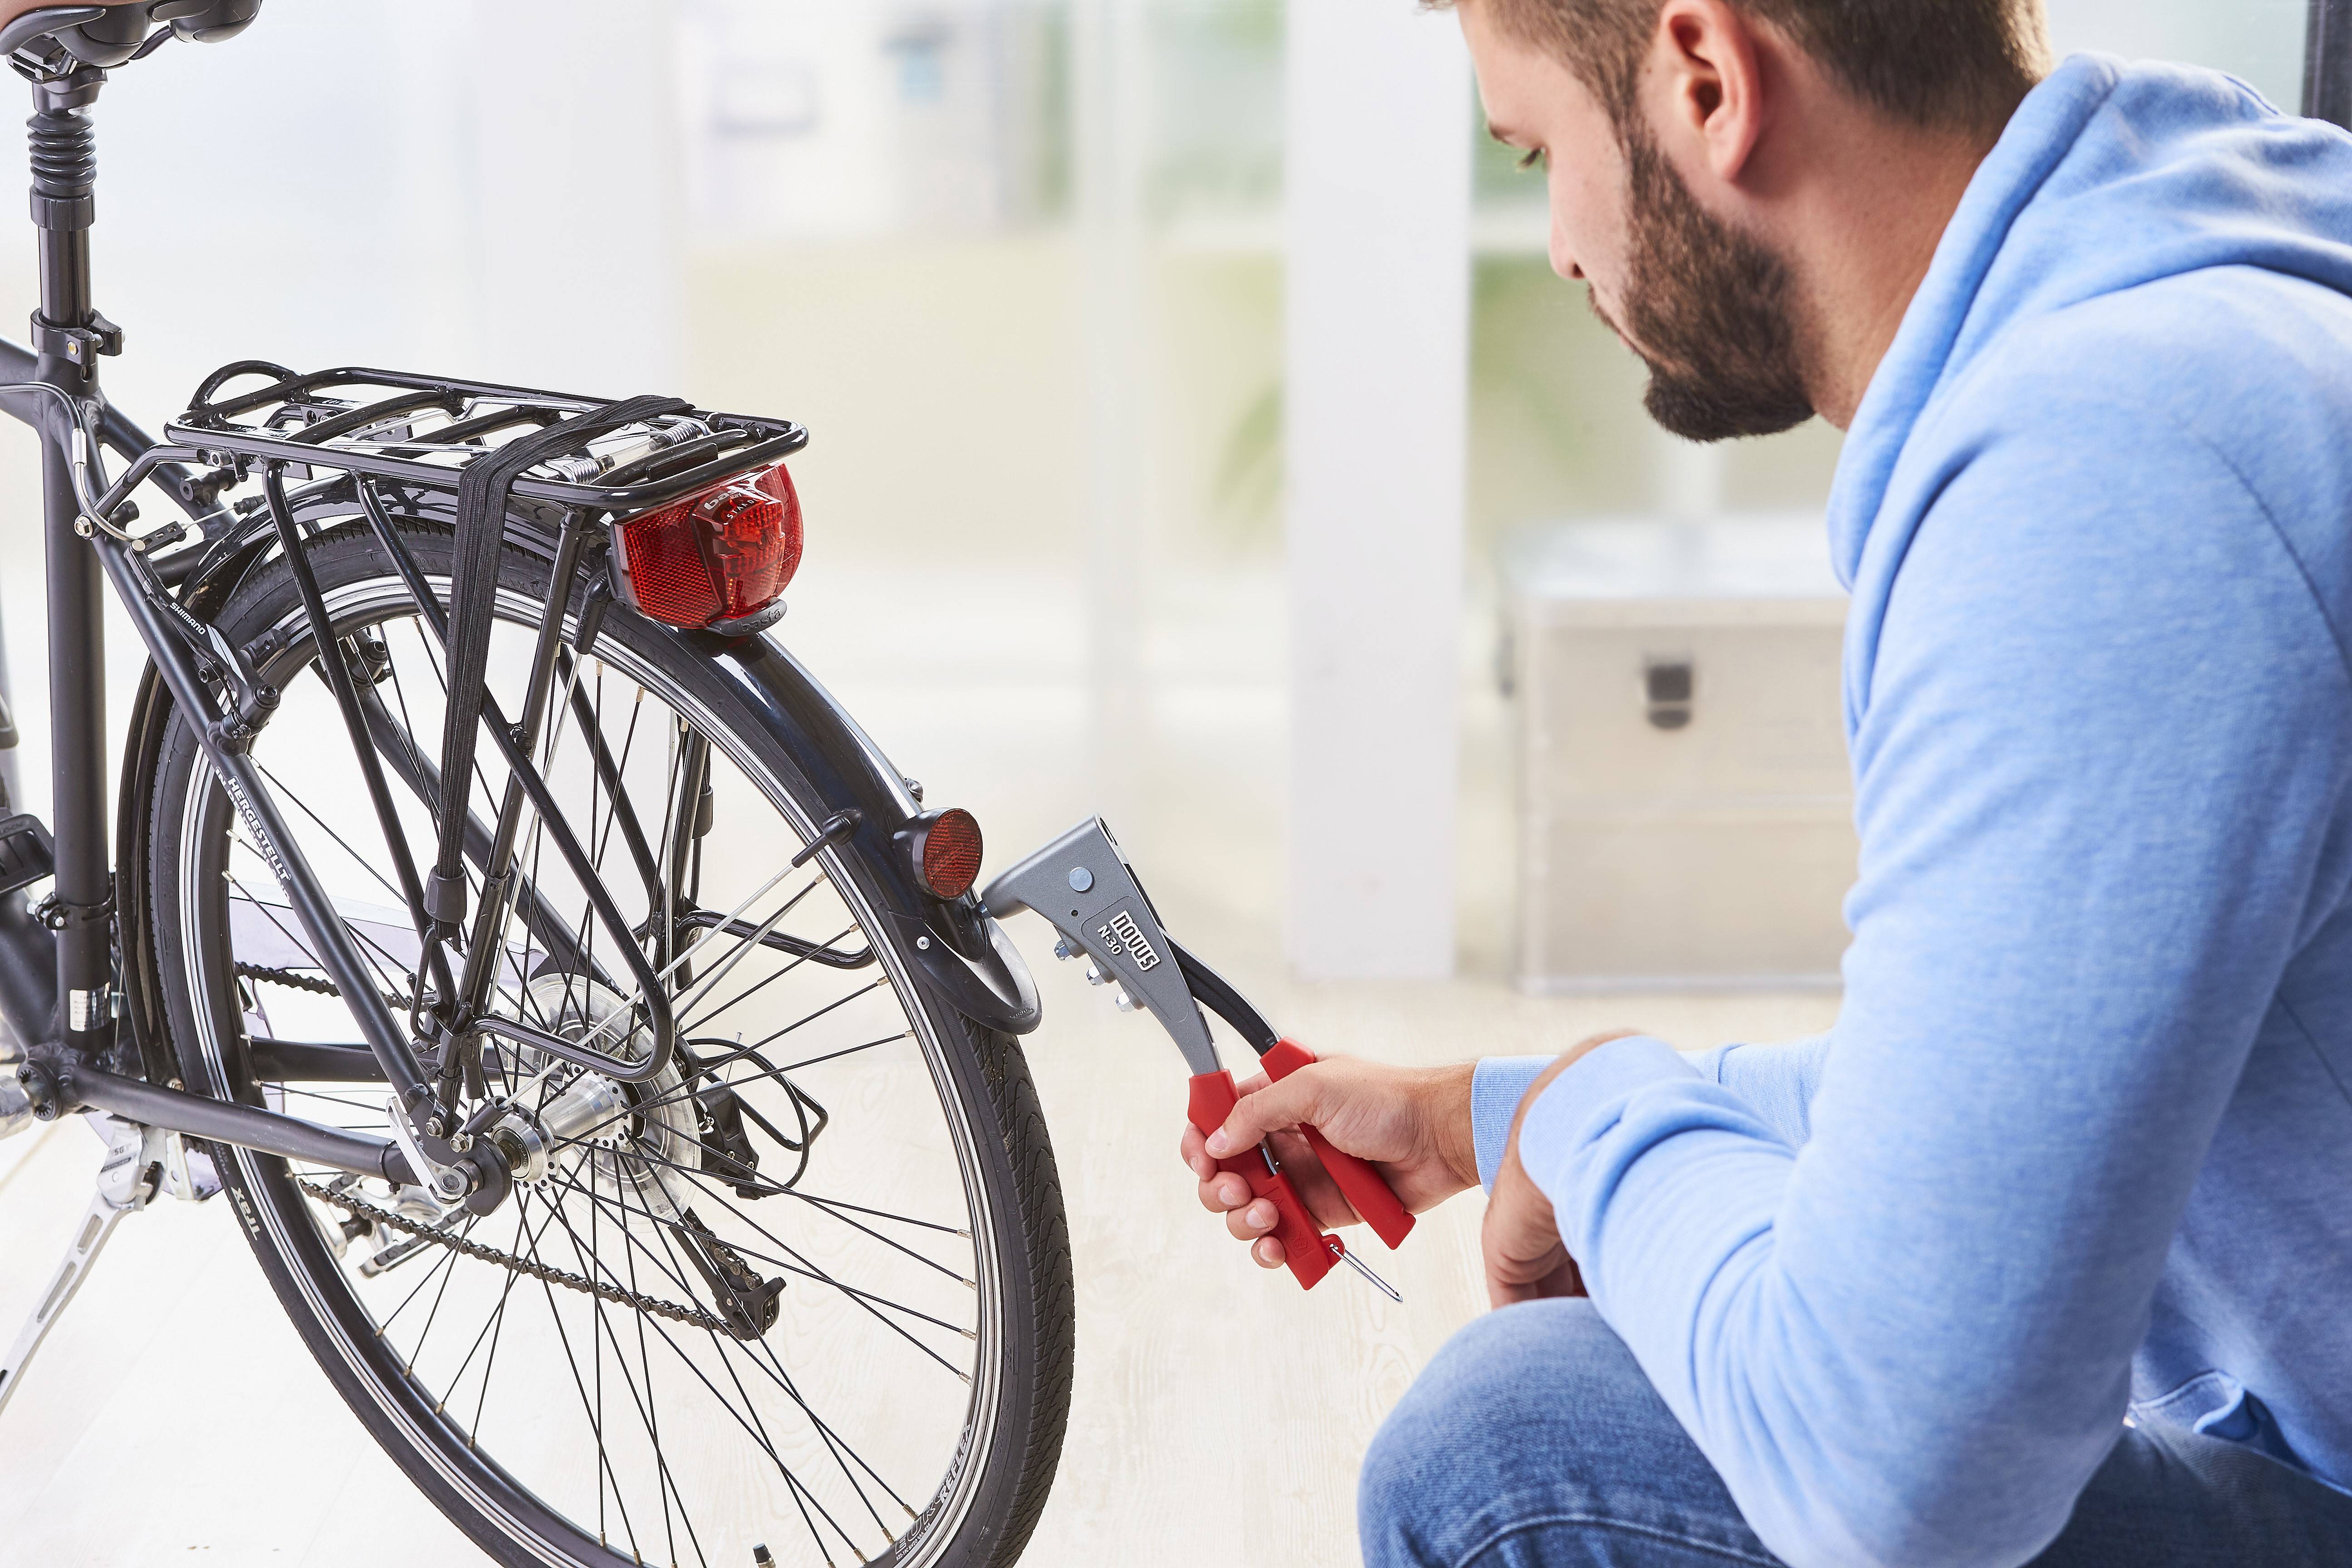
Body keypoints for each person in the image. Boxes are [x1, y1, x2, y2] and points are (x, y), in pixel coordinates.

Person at [1177, 2, 2352, 1563]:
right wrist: (1488, 1122)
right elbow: (1989, 1108)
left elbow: (1899, 1479)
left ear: (1710, 82)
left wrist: (1600, 1120)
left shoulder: (2118, 477)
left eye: (1539, 152)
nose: (1560, 248)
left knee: (1515, 1446)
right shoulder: (2218, 253)